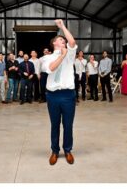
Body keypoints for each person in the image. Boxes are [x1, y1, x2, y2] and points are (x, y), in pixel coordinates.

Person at [41, 19, 78, 165]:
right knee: (55, 124)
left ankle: (67, 150)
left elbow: (73, 42)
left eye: (64, 40)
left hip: (68, 95)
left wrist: (62, 26)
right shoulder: (47, 57)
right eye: (61, 39)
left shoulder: (70, 55)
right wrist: (61, 56)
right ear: (54, 43)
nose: (64, 41)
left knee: (68, 125)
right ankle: (54, 151)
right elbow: (51, 69)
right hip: (53, 96)